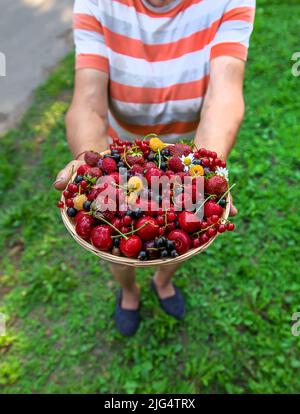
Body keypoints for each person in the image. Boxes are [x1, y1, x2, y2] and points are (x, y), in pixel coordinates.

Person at [54, 0, 255, 336]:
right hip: (118, 157)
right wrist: (90, 158)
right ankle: (129, 290)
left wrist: (206, 168)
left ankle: (163, 280)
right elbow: (87, 101)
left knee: (180, 232)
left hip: (186, 158)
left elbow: (225, 94)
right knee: (115, 239)